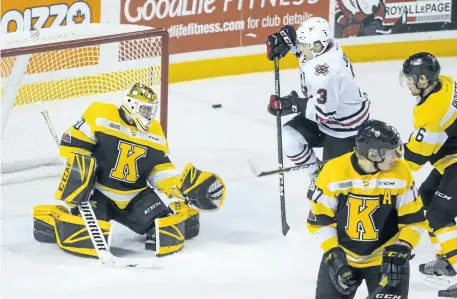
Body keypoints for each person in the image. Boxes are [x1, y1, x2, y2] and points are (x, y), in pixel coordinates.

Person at [32, 83, 226, 257]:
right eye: (146, 109)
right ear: (132, 105)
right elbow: (72, 143)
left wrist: (179, 186)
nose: (150, 115)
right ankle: (52, 218)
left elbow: (160, 170)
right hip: (98, 193)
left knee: (167, 232)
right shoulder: (100, 114)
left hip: (136, 197)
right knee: (87, 237)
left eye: (152, 110)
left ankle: (182, 212)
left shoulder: (156, 132)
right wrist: (79, 168)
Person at [307, 119, 428, 299]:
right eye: (389, 152)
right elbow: (320, 220)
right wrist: (333, 254)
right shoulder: (333, 171)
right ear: (373, 154)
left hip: (386, 259)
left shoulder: (400, 172)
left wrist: (403, 247)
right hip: (343, 256)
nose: (395, 157)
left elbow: (414, 221)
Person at [266, 17, 370, 198]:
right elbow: (304, 50)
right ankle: (316, 173)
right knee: (289, 138)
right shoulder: (325, 47)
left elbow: (325, 113)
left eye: (304, 45)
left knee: (332, 192)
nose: (301, 48)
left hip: (344, 129)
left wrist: (293, 104)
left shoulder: (325, 72)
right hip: (330, 118)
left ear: (317, 46)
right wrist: (286, 42)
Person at [400, 52, 457, 297]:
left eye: (411, 79)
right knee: (425, 199)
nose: (408, 83)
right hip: (450, 159)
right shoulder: (445, 81)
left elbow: (413, 162)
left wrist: (390, 151)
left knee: (438, 214)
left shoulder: (430, 113)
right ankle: (446, 259)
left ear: (423, 80)